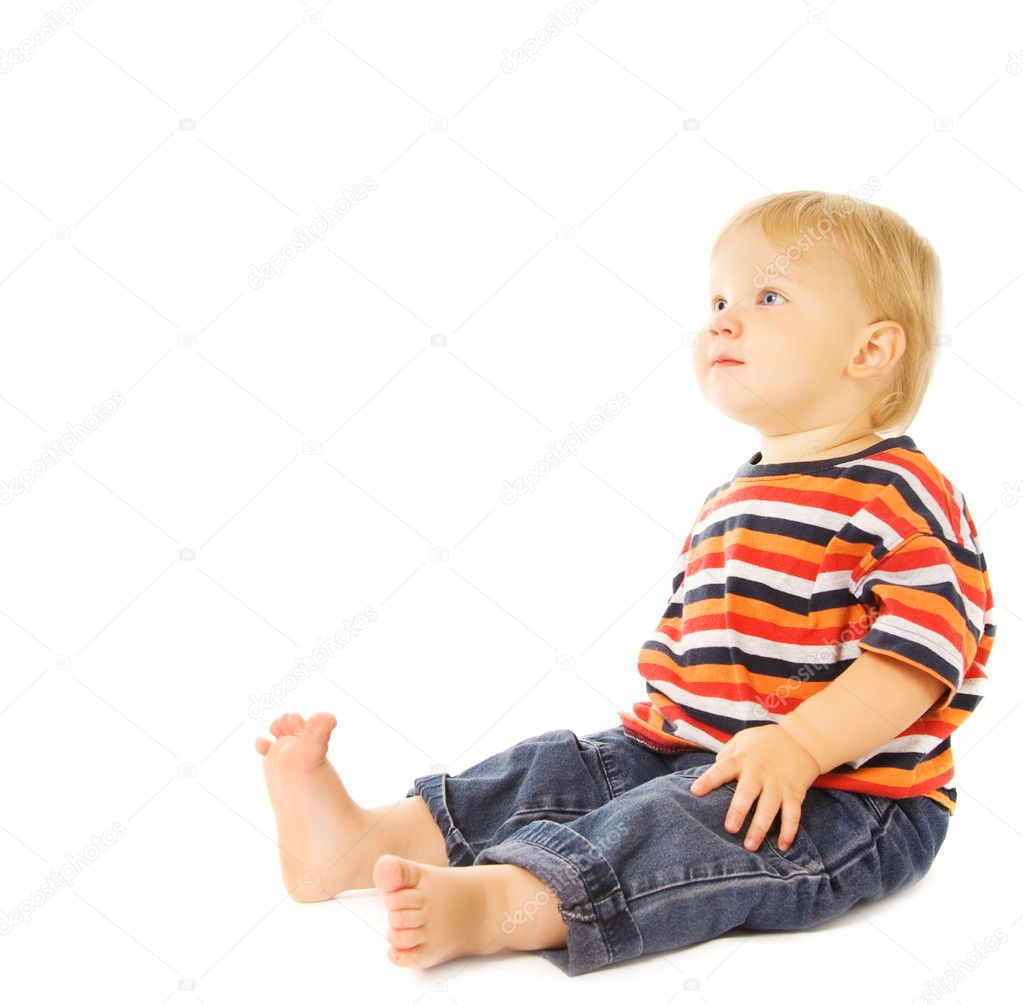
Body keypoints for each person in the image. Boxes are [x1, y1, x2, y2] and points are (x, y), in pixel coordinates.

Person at [254, 190, 997, 977]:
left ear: (870, 351)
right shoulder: (737, 492)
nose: (722, 319)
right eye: (717, 299)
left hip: (848, 794)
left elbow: (915, 662)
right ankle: (358, 842)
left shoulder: (900, 494)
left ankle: (503, 906)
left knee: (673, 826)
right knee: (557, 766)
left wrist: (800, 745)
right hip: (686, 744)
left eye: (767, 297)